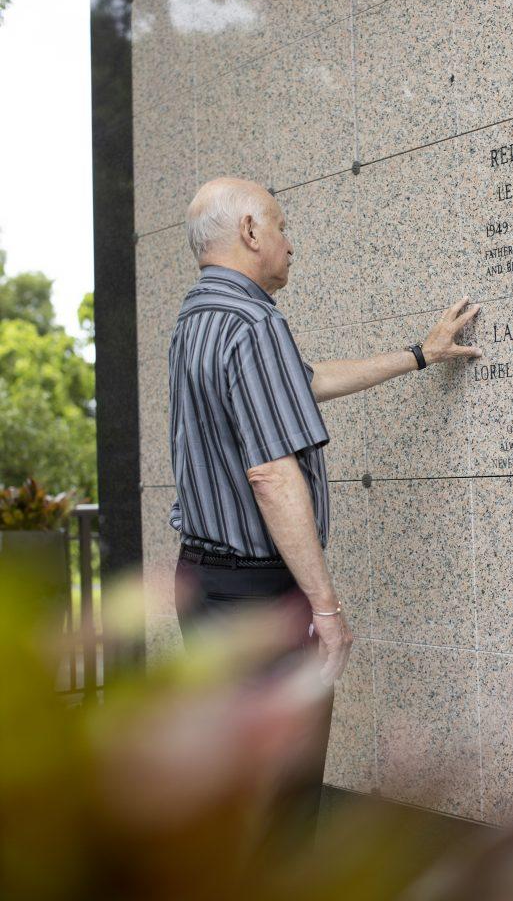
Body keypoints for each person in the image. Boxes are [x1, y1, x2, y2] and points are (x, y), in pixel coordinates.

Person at [169, 176, 482, 831]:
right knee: (279, 801)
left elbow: (303, 382)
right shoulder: (252, 322)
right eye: (280, 225)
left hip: (201, 586)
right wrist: (325, 608)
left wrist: (417, 356)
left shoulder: (197, 319)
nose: (291, 243)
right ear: (251, 232)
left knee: (236, 785)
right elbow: (272, 477)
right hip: (256, 598)